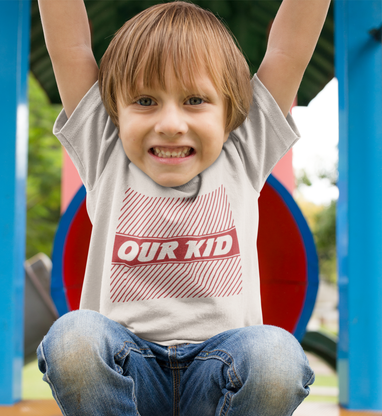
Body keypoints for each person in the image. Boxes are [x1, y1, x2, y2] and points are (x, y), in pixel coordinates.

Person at [37, 1, 330, 415]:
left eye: (194, 100)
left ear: (229, 112)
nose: (171, 123)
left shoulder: (243, 151)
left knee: (276, 353)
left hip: (221, 377)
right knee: (73, 336)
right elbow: (70, 48)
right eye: (144, 101)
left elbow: (288, 51)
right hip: (128, 372)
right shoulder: (105, 152)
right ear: (114, 113)